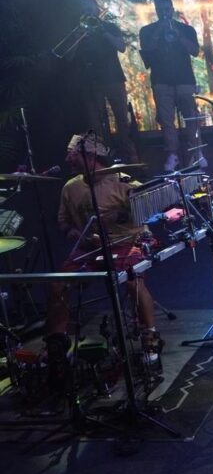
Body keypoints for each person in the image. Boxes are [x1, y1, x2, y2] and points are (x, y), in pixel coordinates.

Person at [47, 134, 163, 386]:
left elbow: (149, 211)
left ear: (90, 156)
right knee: (58, 285)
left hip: (126, 242)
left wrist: (118, 216)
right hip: (89, 247)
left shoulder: (124, 182)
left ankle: (150, 339)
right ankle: (57, 348)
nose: (67, 158)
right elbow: (63, 222)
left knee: (132, 282)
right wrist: (72, 232)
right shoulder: (70, 187)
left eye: (72, 154)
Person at [139, 0, 203, 172]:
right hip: (161, 82)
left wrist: (178, 35)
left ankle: (197, 152)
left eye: (167, 9)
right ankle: (172, 154)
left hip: (185, 80)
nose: (164, 13)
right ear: (156, 11)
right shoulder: (147, 30)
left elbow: (195, 51)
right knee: (167, 121)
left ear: (172, 10)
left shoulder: (186, 29)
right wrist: (158, 32)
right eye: (160, 10)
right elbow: (147, 51)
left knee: (192, 118)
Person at [72, 0, 138, 162]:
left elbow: (121, 47)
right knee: (95, 123)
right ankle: (103, 159)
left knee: (122, 119)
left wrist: (103, 31)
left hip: (114, 78)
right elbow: (69, 56)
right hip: (91, 81)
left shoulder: (109, 27)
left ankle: (130, 156)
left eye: (90, 8)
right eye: (84, 8)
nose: (87, 11)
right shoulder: (78, 30)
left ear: (97, 9)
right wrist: (79, 38)